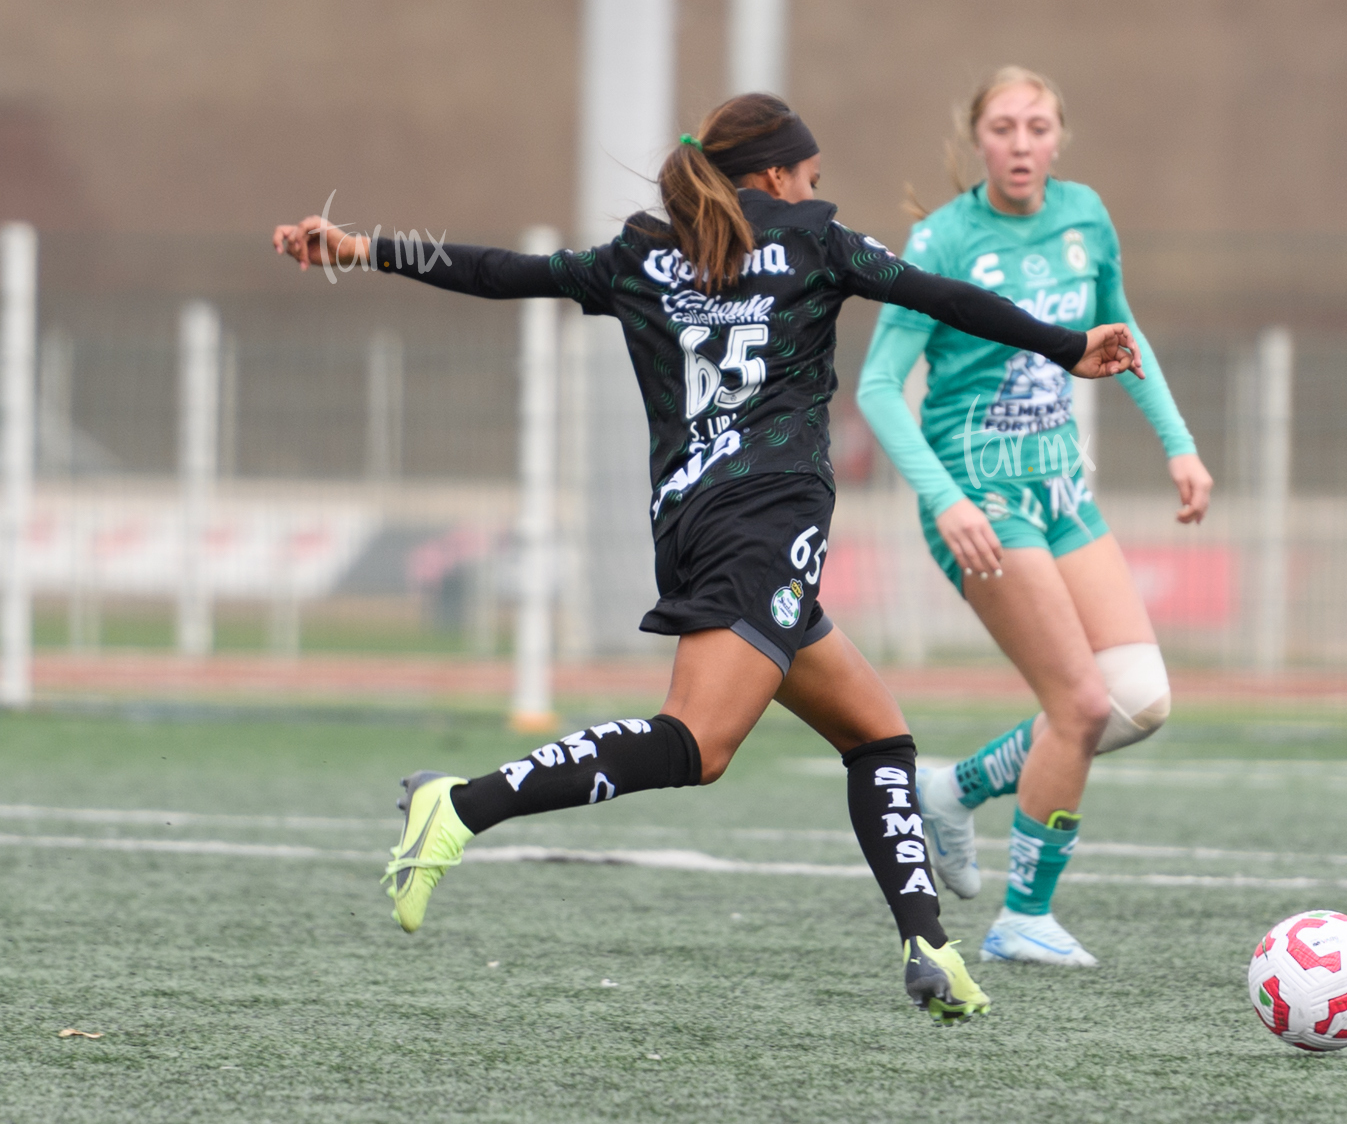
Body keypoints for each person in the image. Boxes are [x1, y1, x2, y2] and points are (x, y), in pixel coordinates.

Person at [271, 93, 1145, 1022]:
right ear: (775, 174)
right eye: (811, 171)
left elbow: (504, 272)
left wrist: (366, 248)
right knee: (697, 742)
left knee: (878, 737)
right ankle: (459, 804)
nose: (818, 187)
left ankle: (928, 947)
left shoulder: (643, 254)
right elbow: (943, 298)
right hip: (764, 528)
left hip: (697, 527)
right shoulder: (817, 239)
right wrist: (1066, 344)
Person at [857, 67, 1211, 967]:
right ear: (977, 139)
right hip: (982, 501)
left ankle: (953, 789)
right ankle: (1022, 919)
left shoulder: (1085, 216)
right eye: (1005, 127)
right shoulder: (940, 241)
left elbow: (1119, 332)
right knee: (1081, 705)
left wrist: (1178, 443)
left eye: (1038, 126)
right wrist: (944, 498)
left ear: (1060, 137)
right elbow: (875, 387)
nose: (1021, 143)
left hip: (1061, 491)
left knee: (1141, 699)